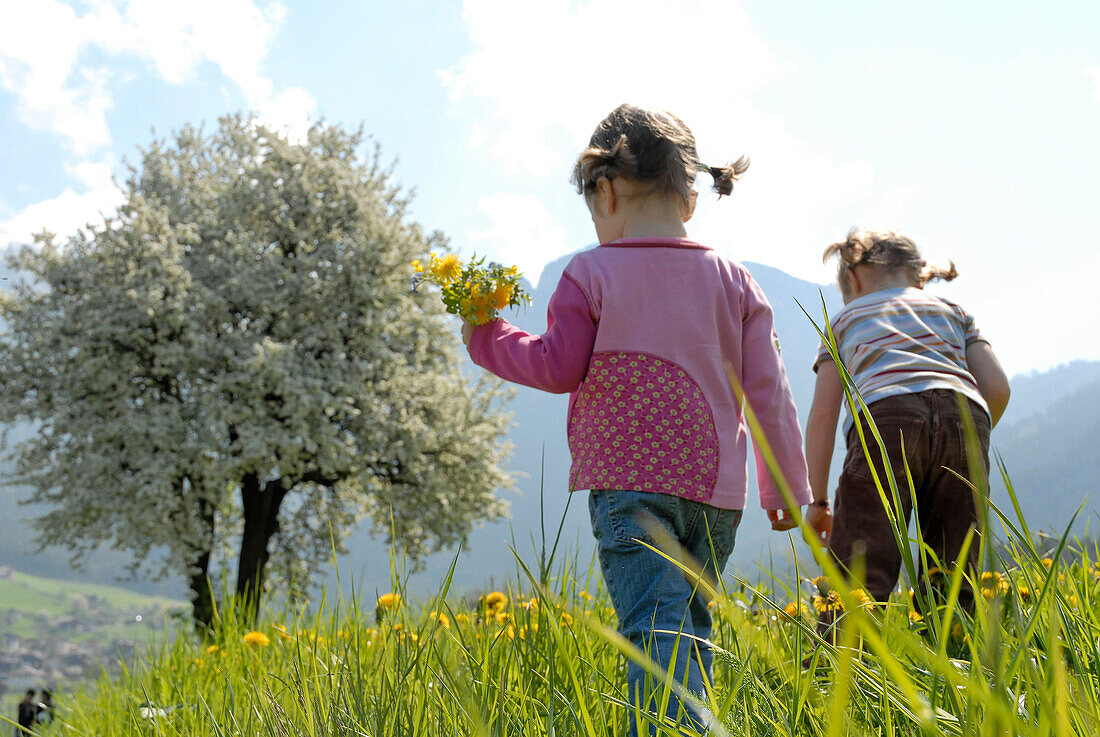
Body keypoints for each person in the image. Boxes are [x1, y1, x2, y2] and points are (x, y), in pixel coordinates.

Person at [463, 104, 812, 735]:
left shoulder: (589, 273)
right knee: (692, 634)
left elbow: (556, 366)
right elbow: (770, 394)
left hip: (630, 487)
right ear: (691, 198)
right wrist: (787, 487)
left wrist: (487, 337)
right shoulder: (735, 281)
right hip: (716, 496)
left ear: (604, 191)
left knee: (654, 631)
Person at [803, 228, 1010, 630]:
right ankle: (955, 663)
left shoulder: (845, 319)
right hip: (964, 415)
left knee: (861, 569)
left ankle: (839, 675)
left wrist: (817, 501)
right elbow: (997, 387)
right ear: (919, 275)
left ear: (854, 277)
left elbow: (824, 415)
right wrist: (969, 439)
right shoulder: (952, 310)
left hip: (885, 418)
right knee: (953, 570)